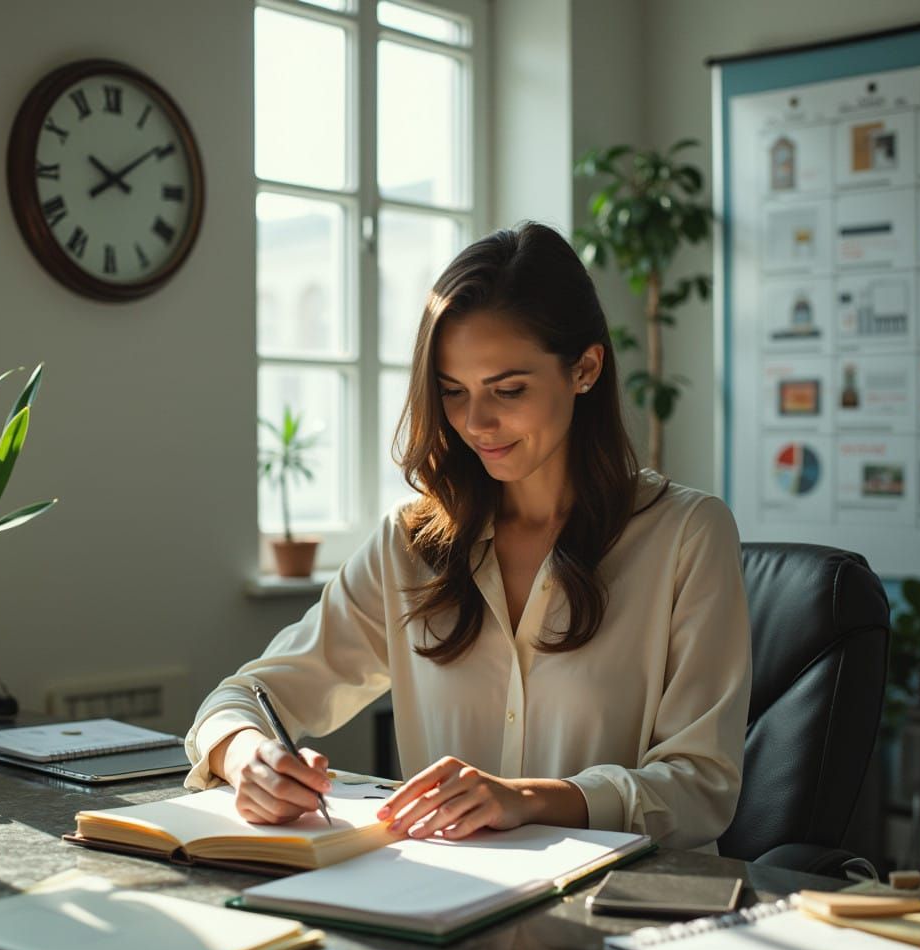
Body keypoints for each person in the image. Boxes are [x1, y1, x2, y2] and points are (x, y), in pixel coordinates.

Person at [186, 222, 751, 852]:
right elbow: (243, 696)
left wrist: (528, 799)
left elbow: (702, 785)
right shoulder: (409, 546)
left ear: (585, 369)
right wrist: (245, 757)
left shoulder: (686, 535)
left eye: (508, 390)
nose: (475, 423)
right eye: (453, 392)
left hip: (621, 914)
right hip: (447, 909)